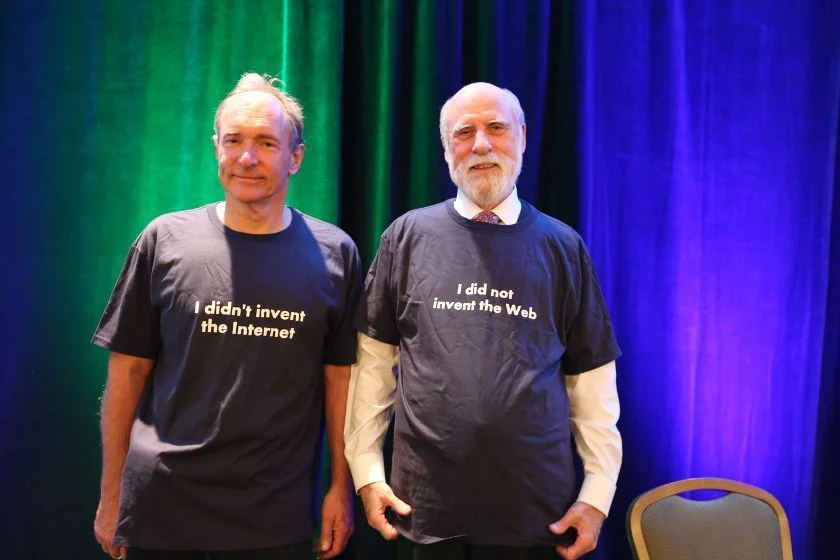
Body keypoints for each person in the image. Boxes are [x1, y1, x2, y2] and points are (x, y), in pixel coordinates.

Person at [344, 82, 622, 560]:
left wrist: (596, 497)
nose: (481, 145)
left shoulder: (563, 247)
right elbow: (373, 369)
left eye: (496, 128)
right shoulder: (406, 238)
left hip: (537, 517)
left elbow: (591, 383)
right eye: (464, 132)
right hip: (425, 512)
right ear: (445, 147)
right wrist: (368, 474)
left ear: (523, 137)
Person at [92, 73, 360, 560]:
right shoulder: (163, 240)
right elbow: (127, 372)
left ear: (295, 158)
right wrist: (113, 497)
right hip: (162, 508)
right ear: (216, 147)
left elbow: (340, 380)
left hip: (276, 519)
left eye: (266, 143)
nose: (247, 158)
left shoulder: (335, 253)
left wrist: (342, 488)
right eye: (234, 141)